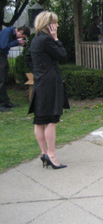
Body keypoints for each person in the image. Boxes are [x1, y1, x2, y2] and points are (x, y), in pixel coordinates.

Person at [25, 11, 69, 169]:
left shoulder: (36, 39)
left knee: (40, 119)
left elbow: (28, 58)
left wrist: (39, 71)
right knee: (51, 119)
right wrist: (56, 38)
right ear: (49, 25)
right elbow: (63, 56)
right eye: (55, 23)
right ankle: (52, 155)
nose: (57, 25)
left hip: (40, 82)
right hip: (50, 83)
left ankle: (44, 153)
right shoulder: (47, 40)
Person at [0, 25, 30, 112]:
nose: (21, 38)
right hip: (1, 56)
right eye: (22, 37)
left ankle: (6, 102)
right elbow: (3, 46)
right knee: (1, 81)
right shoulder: (7, 32)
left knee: (4, 79)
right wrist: (16, 42)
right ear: (20, 32)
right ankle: (1, 104)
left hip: (3, 57)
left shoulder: (11, 34)